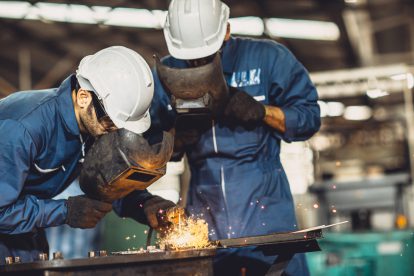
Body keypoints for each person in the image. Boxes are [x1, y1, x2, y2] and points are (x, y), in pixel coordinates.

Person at [149, 0, 321, 275]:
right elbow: (148, 146)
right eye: (189, 56)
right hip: (205, 224)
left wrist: (263, 112)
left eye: (205, 54)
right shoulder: (167, 75)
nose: (196, 63)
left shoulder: (267, 58)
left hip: (268, 220)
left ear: (226, 30)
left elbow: (309, 118)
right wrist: (177, 137)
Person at [0, 46, 176, 264]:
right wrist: (65, 211)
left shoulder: (93, 125)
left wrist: (143, 204)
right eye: (111, 120)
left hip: (23, 236)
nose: (113, 129)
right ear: (83, 96)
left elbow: (105, 183)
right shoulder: (22, 129)